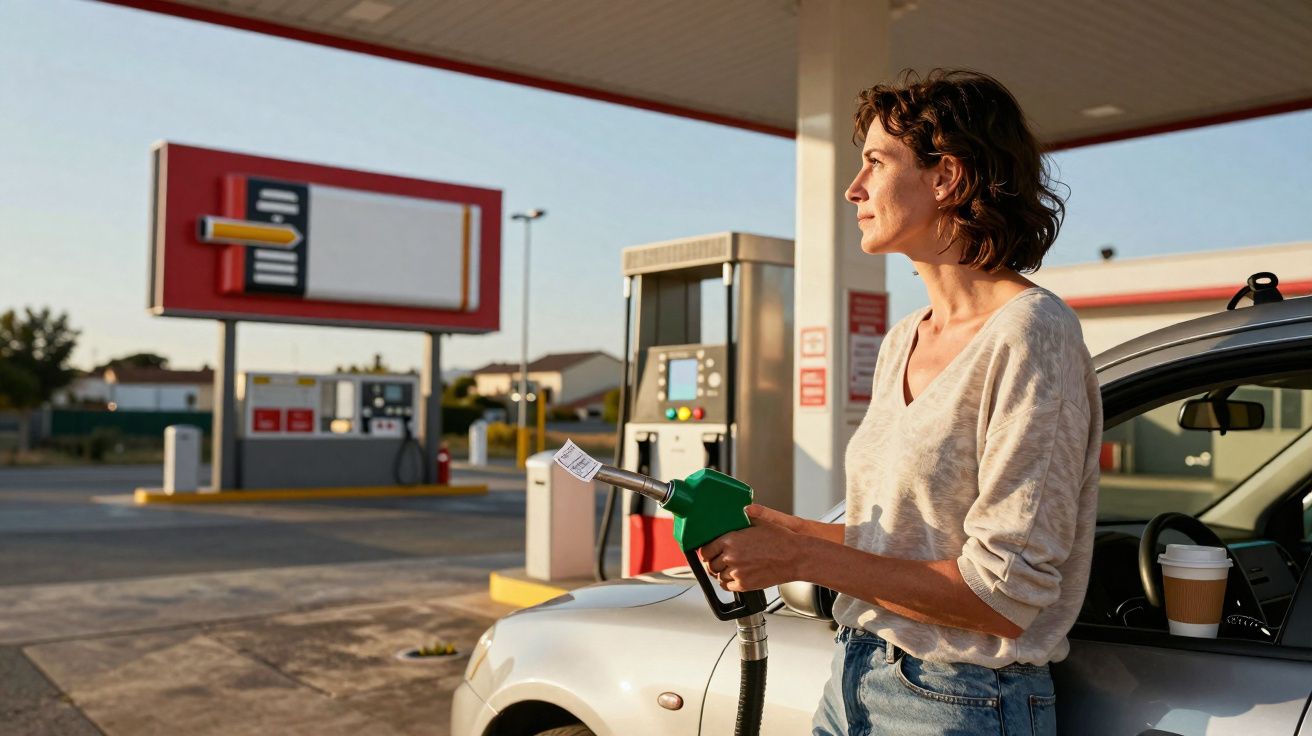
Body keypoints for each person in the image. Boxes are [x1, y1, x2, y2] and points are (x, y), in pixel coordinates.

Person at [697, 69, 1102, 735]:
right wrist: (781, 530)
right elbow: (901, 543)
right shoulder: (902, 340)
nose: (854, 190)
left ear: (947, 177)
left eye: (876, 164)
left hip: (963, 698)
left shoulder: (1032, 336)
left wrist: (800, 560)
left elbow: (1005, 596)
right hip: (854, 674)